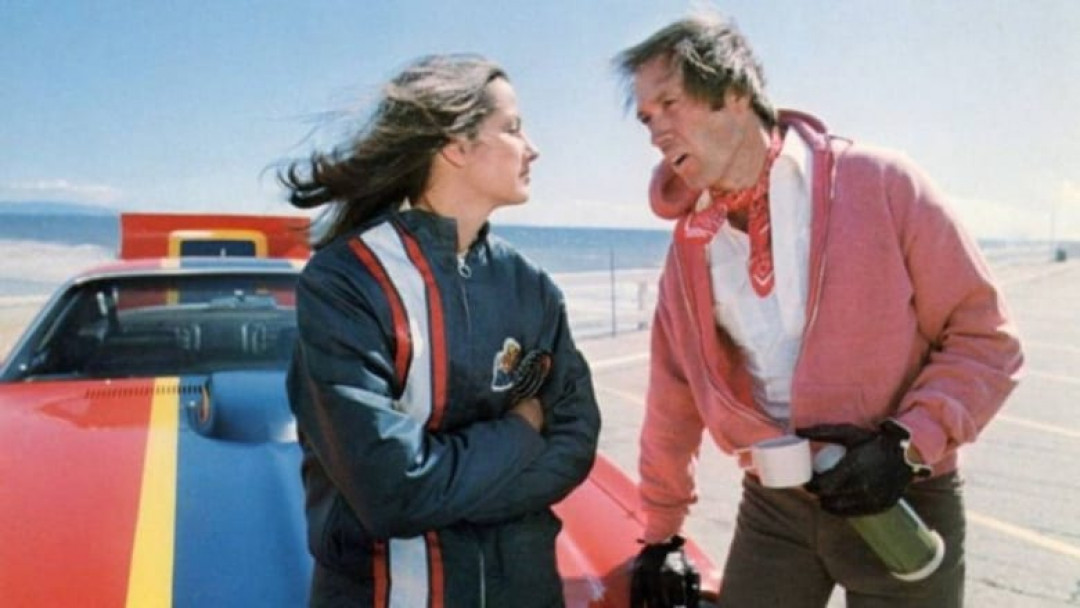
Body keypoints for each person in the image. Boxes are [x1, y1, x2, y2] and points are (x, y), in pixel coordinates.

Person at [614, 12, 1023, 607]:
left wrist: (905, 446)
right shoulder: (690, 247)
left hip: (902, 497)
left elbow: (987, 339)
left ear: (733, 92)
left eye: (670, 104)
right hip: (774, 508)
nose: (656, 131)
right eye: (647, 117)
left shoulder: (881, 183)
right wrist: (661, 532)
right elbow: (671, 398)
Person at [281, 54, 600, 607]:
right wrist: (521, 430)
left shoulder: (532, 287)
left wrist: (443, 495)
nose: (533, 148)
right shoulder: (346, 282)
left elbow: (574, 444)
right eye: (513, 128)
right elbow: (391, 492)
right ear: (456, 145)